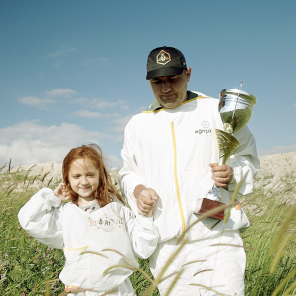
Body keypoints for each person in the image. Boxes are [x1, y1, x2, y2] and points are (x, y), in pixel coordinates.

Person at [119, 46, 260, 296]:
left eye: (173, 79)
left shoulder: (217, 111)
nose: (166, 88)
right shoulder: (137, 125)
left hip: (217, 239)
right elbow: (127, 174)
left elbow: (247, 158)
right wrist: (138, 191)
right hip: (166, 249)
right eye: (157, 81)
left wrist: (233, 174)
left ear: (188, 74)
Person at [18, 144, 158, 296]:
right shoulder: (66, 214)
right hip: (78, 291)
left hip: (117, 290)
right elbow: (28, 219)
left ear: (100, 175)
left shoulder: (117, 211)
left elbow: (143, 248)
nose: (84, 182)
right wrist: (52, 197)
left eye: (90, 175)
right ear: (67, 179)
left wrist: (145, 215)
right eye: (77, 176)